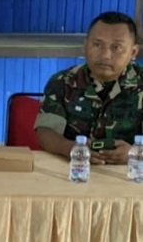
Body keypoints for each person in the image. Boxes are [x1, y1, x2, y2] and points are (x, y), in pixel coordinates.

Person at [35, 11, 143, 164]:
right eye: (97, 45)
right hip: (73, 168)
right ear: (85, 46)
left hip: (131, 172)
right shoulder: (62, 82)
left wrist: (135, 153)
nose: (105, 55)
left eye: (116, 47)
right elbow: (45, 131)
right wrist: (71, 148)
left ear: (133, 52)